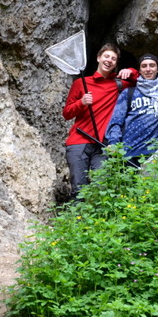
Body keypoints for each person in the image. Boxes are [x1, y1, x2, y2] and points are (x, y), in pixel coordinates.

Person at [62, 43, 138, 200]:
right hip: (79, 141)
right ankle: (77, 215)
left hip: (103, 143)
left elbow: (143, 80)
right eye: (106, 56)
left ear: (116, 64)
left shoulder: (118, 84)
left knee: (101, 188)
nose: (109, 60)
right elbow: (67, 113)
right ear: (98, 58)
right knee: (78, 189)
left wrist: (131, 71)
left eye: (113, 59)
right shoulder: (81, 83)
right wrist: (81, 102)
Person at [105, 54, 158, 166]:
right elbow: (116, 121)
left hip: (155, 154)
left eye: (152, 65)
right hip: (129, 153)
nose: (148, 69)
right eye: (144, 66)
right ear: (140, 70)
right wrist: (113, 142)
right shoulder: (128, 92)